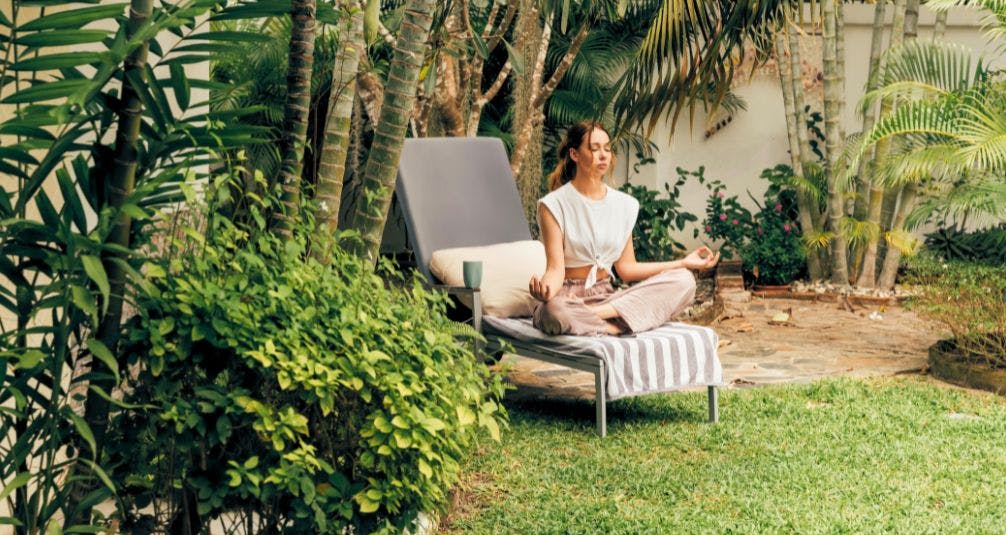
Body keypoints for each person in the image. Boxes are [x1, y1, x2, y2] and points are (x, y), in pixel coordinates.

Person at [529, 121, 720, 336]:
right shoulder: (554, 204)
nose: (603, 155)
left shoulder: (624, 204)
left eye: (607, 148)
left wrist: (683, 263)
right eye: (594, 148)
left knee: (684, 280)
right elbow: (556, 269)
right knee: (552, 312)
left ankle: (597, 316)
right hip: (569, 298)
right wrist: (546, 291)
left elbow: (627, 269)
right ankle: (617, 325)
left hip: (608, 298)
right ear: (574, 154)